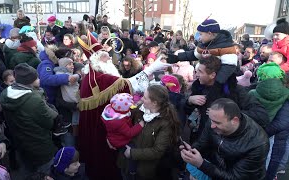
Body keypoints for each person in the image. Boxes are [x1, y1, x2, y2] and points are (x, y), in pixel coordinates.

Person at [77, 31, 170, 180]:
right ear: (96, 59)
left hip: (105, 124)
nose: (108, 56)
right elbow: (126, 85)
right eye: (103, 54)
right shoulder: (100, 77)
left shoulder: (93, 75)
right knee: (105, 161)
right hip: (104, 129)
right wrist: (151, 69)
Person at [181, 98, 269, 180]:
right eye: (211, 120)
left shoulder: (258, 144)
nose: (212, 126)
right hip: (218, 168)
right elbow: (202, 143)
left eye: (217, 123)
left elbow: (235, 178)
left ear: (234, 120)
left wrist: (201, 164)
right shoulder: (215, 120)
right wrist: (192, 151)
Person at [185, 56, 269, 141]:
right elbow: (186, 111)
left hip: (225, 143)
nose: (196, 74)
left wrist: (227, 113)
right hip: (200, 139)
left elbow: (261, 116)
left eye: (200, 71)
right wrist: (189, 101)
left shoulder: (235, 91)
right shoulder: (198, 88)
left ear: (212, 75)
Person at [0, 63, 58, 176]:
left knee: (28, 171)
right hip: (40, 146)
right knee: (46, 173)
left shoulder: (5, 93)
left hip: (21, 145)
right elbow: (50, 123)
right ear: (30, 81)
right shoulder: (34, 99)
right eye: (36, 77)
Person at [118, 85, 181, 180]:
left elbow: (157, 151)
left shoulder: (166, 123)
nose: (142, 99)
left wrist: (132, 153)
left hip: (143, 170)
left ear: (155, 103)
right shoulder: (140, 109)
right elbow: (124, 124)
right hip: (127, 163)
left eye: (145, 97)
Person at [167, 19, 238, 85]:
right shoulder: (205, 43)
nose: (199, 38)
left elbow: (228, 67)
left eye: (201, 34)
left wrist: (216, 85)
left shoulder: (226, 46)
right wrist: (177, 57)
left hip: (222, 84)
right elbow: (195, 54)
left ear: (209, 33)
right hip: (206, 80)